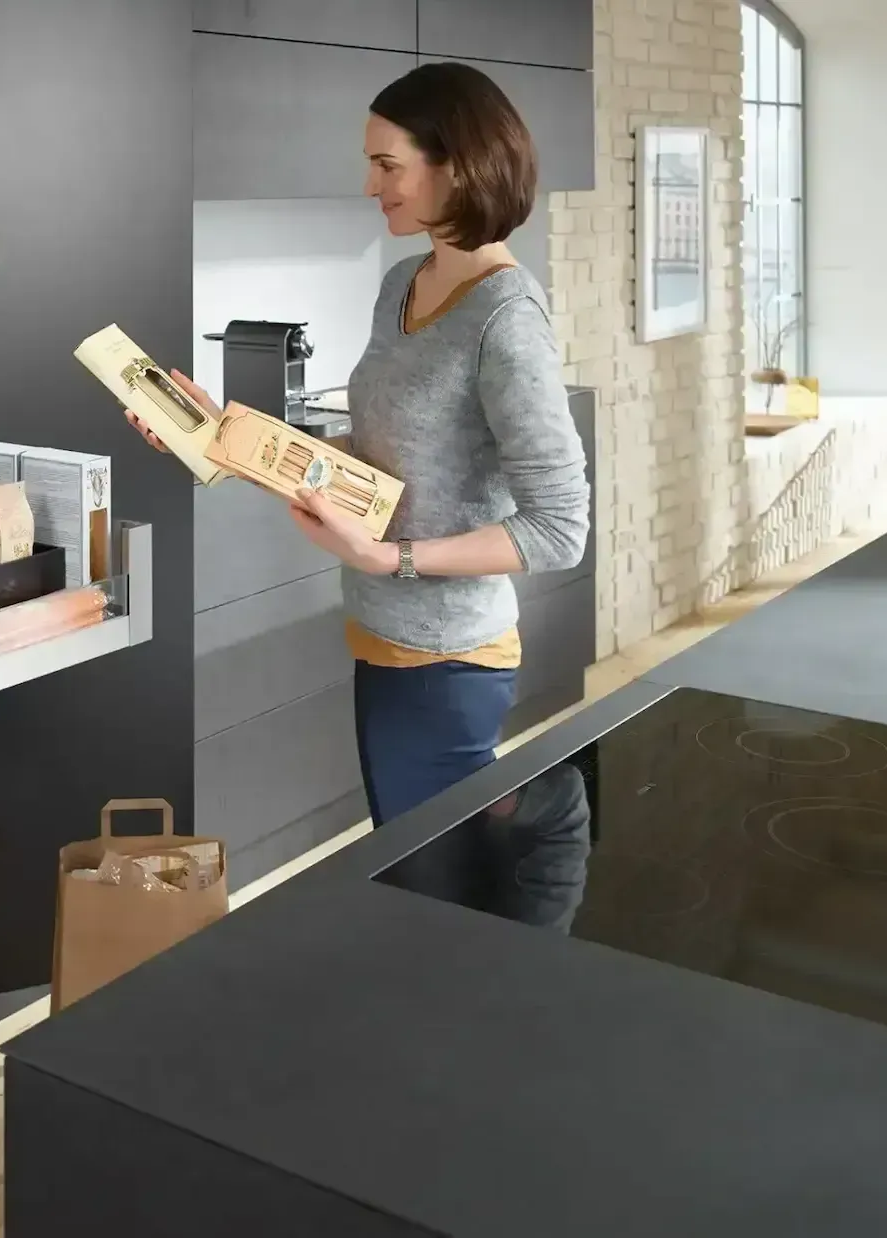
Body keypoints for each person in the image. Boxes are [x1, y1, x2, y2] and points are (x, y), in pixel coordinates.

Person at [127, 62, 589, 828]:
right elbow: (375, 458)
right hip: (383, 639)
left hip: (451, 662)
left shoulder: (507, 320)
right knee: (418, 877)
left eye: (388, 166)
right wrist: (220, 440)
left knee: (436, 896)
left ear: (459, 165)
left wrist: (390, 559)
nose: (373, 187)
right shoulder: (404, 282)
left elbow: (558, 527)